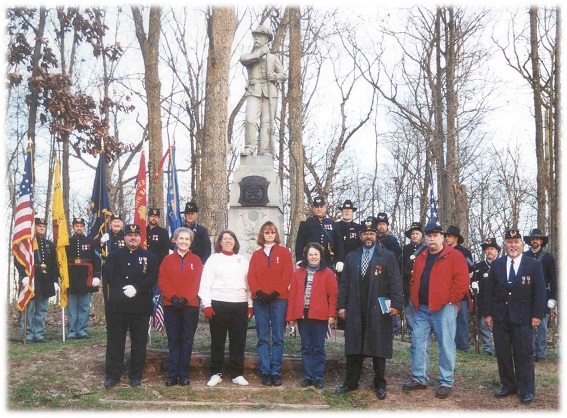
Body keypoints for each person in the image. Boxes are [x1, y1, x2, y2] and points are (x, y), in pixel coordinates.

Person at [335, 217, 403, 400]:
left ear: (376, 235)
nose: (368, 236)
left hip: (378, 308)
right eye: (365, 233)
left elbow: (395, 282)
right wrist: (341, 306)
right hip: (355, 307)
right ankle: (350, 382)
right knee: (354, 345)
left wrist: (396, 304)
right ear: (360, 236)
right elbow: (344, 285)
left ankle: (380, 384)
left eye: (371, 233)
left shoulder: (387, 256)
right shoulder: (352, 257)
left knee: (378, 346)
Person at [402, 220, 469, 399]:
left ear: (442, 238)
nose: (432, 239)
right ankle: (419, 378)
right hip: (422, 308)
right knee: (418, 342)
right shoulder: (421, 257)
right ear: (426, 239)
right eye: (429, 236)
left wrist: (450, 300)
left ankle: (446, 381)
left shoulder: (454, 256)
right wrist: (415, 299)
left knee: (446, 344)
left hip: (444, 308)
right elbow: (414, 279)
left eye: (435, 236)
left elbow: (462, 282)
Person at [484, 228, 546, 404]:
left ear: (521, 244)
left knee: (523, 353)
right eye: (509, 242)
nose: (513, 245)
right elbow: (489, 292)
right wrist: (488, 314)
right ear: (504, 245)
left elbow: (539, 292)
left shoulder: (533, 264)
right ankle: (508, 384)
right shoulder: (497, 264)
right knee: (503, 353)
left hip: (523, 317)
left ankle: (526, 389)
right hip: (500, 317)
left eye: (516, 242)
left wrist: (537, 315)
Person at [102, 224, 158, 388]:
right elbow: (108, 274)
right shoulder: (114, 255)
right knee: (115, 342)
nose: (133, 238)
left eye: (136, 235)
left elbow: (152, 276)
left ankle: (135, 376)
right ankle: (113, 375)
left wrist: (137, 288)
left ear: (140, 238)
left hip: (140, 306)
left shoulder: (150, 256)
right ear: (124, 237)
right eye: (129, 235)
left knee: (139, 342)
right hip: (117, 306)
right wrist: (121, 287)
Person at [198, 230, 253, 387]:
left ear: (235, 242)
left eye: (231, 239)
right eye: (225, 239)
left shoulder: (242, 260)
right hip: (218, 303)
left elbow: (249, 285)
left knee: (238, 340)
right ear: (220, 242)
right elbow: (205, 283)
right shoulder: (214, 259)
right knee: (218, 340)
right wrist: (207, 304)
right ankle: (216, 373)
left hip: (239, 304)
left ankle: (237, 373)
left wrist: (249, 304)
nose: (228, 241)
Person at [247, 221, 294, 386]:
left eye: (272, 232)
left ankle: (276, 370)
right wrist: (258, 292)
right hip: (260, 301)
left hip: (278, 299)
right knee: (263, 336)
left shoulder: (284, 252)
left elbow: (287, 274)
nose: (269, 234)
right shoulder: (256, 254)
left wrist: (275, 292)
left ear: (276, 234)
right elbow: (251, 276)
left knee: (278, 336)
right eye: (266, 232)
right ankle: (265, 370)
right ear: (262, 234)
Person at [287, 242, 338, 389]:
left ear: (320, 255)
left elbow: (333, 295)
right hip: (303, 315)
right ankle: (308, 375)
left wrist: (331, 314)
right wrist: (291, 317)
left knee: (318, 347)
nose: (313, 257)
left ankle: (318, 376)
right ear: (306, 256)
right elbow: (292, 295)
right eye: (310, 254)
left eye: (316, 254)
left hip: (320, 316)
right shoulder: (299, 272)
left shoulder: (327, 273)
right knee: (306, 346)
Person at [158, 227, 203, 386]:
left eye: (187, 239)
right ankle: (172, 374)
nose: (184, 242)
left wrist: (186, 298)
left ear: (190, 242)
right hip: (171, 305)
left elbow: (198, 282)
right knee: (174, 339)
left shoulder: (196, 260)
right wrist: (173, 298)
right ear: (175, 240)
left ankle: (184, 373)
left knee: (186, 340)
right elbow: (163, 281)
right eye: (181, 238)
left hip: (190, 306)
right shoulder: (167, 260)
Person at [240, 25, 287, 157]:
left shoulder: (273, 58)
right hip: (254, 90)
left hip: (269, 92)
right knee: (250, 119)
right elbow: (245, 60)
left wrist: (275, 77)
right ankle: (249, 147)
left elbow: (283, 74)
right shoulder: (249, 56)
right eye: (255, 36)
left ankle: (265, 150)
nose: (256, 38)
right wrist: (261, 53)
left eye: (259, 36)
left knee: (267, 122)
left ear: (266, 39)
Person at [15, 217, 59, 343]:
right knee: (29, 308)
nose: (42, 228)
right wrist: (23, 275)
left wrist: (55, 280)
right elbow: (18, 260)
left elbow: (54, 264)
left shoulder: (49, 244)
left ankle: (39, 334)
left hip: (46, 280)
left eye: (44, 226)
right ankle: (28, 334)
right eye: (39, 226)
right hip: (32, 278)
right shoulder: (27, 243)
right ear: (34, 227)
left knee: (42, 308)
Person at [523, 228, 557, 362]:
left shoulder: (548, 258)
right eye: (533, 239)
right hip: (527, 295)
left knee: (542, 326)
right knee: (528, 325)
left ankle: (541, 354)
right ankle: (529, 352)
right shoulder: (524, 256)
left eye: (537, 239)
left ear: (541, 241)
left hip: (544, 295)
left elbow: (554, 279)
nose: (535, 241)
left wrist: (553, 298)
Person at [66, 217, 101, 340]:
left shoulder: (91, 242)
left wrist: (97, 276)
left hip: (86, 277)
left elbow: (97, 260)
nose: (79, 228)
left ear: (84, 228)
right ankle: (71, 331)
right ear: (73, 227)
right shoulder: (67, 242)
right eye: (76, 226)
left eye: (81, 226)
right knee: (72, 307)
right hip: (71, 278)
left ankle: (82, 330)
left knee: (84, 306)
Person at [295, 196, 345, 273]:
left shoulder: (333, 224)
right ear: (313, 208)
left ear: (325, 208)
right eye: (316, 206)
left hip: (328, 261)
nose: (319, 209)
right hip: (311, 261)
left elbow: (339, 245)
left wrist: (340, 260)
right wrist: (299, 260)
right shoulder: (306, 224)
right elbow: (299, 244)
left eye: (321, 206)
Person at [443, 225, 474, 351]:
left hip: (460, 288)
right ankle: (450, 343)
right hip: (446, 288)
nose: (446, 239)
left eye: (449, 236)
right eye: (445, 236)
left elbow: (471, 267)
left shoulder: (464, 252)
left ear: (455, 238)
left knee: (462, 318)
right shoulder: (443, 251)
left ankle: (463, 344)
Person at [471, 237, 500, 355]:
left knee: (498, 326)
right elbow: (473, 282)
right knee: (484, 325)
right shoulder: (478, 267)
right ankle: (488, 348)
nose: (489, 251)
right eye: (487, 249)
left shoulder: (501, 264)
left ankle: (499, 349)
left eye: (492, 249)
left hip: (499, 300)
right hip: (483, 300)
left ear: (497, 251)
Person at [399, 221, 426, 340]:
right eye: (413, 233)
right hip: (407, 282)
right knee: (409, 309)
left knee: (421, 309)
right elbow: (401, 265)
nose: (414, 235)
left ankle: (421, 333)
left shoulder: (425, 249)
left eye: (417, 233)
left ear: (421, 235)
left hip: (421, 283)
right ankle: (411, 333)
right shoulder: (405, 249)